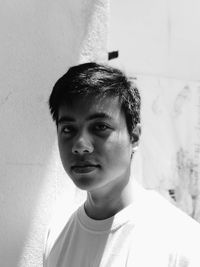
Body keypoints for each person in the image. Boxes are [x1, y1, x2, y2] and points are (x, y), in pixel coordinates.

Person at [43, 62, 200, 267]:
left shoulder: (181, 242)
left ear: (134, 136)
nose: (80, 146)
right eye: (68, 129)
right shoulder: (56, 233)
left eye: (100, 127)